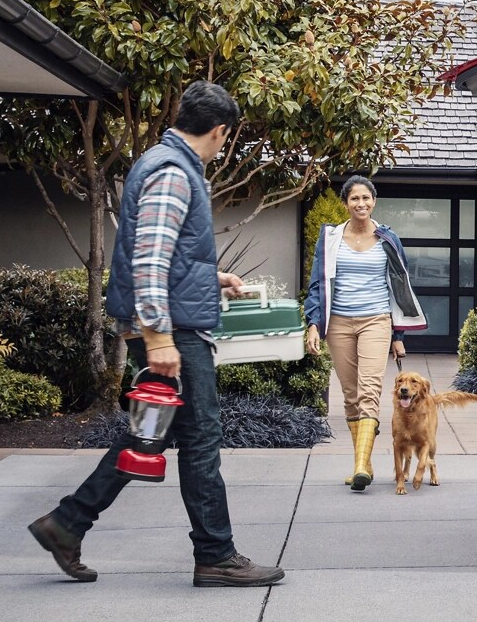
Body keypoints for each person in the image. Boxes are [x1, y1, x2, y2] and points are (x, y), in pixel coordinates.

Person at [28, 81, 285, 588]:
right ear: (218, 132)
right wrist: (160, 336)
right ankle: (215, 555)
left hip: (172, 322)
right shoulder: (173, 172)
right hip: (175, 331)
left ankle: (67, 524)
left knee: (151, 434)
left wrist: (213, 278)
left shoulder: (163, 162)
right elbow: (148, 260)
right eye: (225, 137)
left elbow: (166, 255)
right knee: (202, 440)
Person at [304, 175, 426, 491]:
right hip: (339, 323)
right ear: (346, 204)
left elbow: (400, 287)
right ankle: (366, 462)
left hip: (376, 320)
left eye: (366, 198)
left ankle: (359, 466)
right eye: (354, 199)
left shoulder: (388, 238)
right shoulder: (330, 239)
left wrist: (399, 336)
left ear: (374, 202)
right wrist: (313, 323)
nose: (361, 204)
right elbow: (317, 282)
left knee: (369, 388)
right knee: (349, 394)